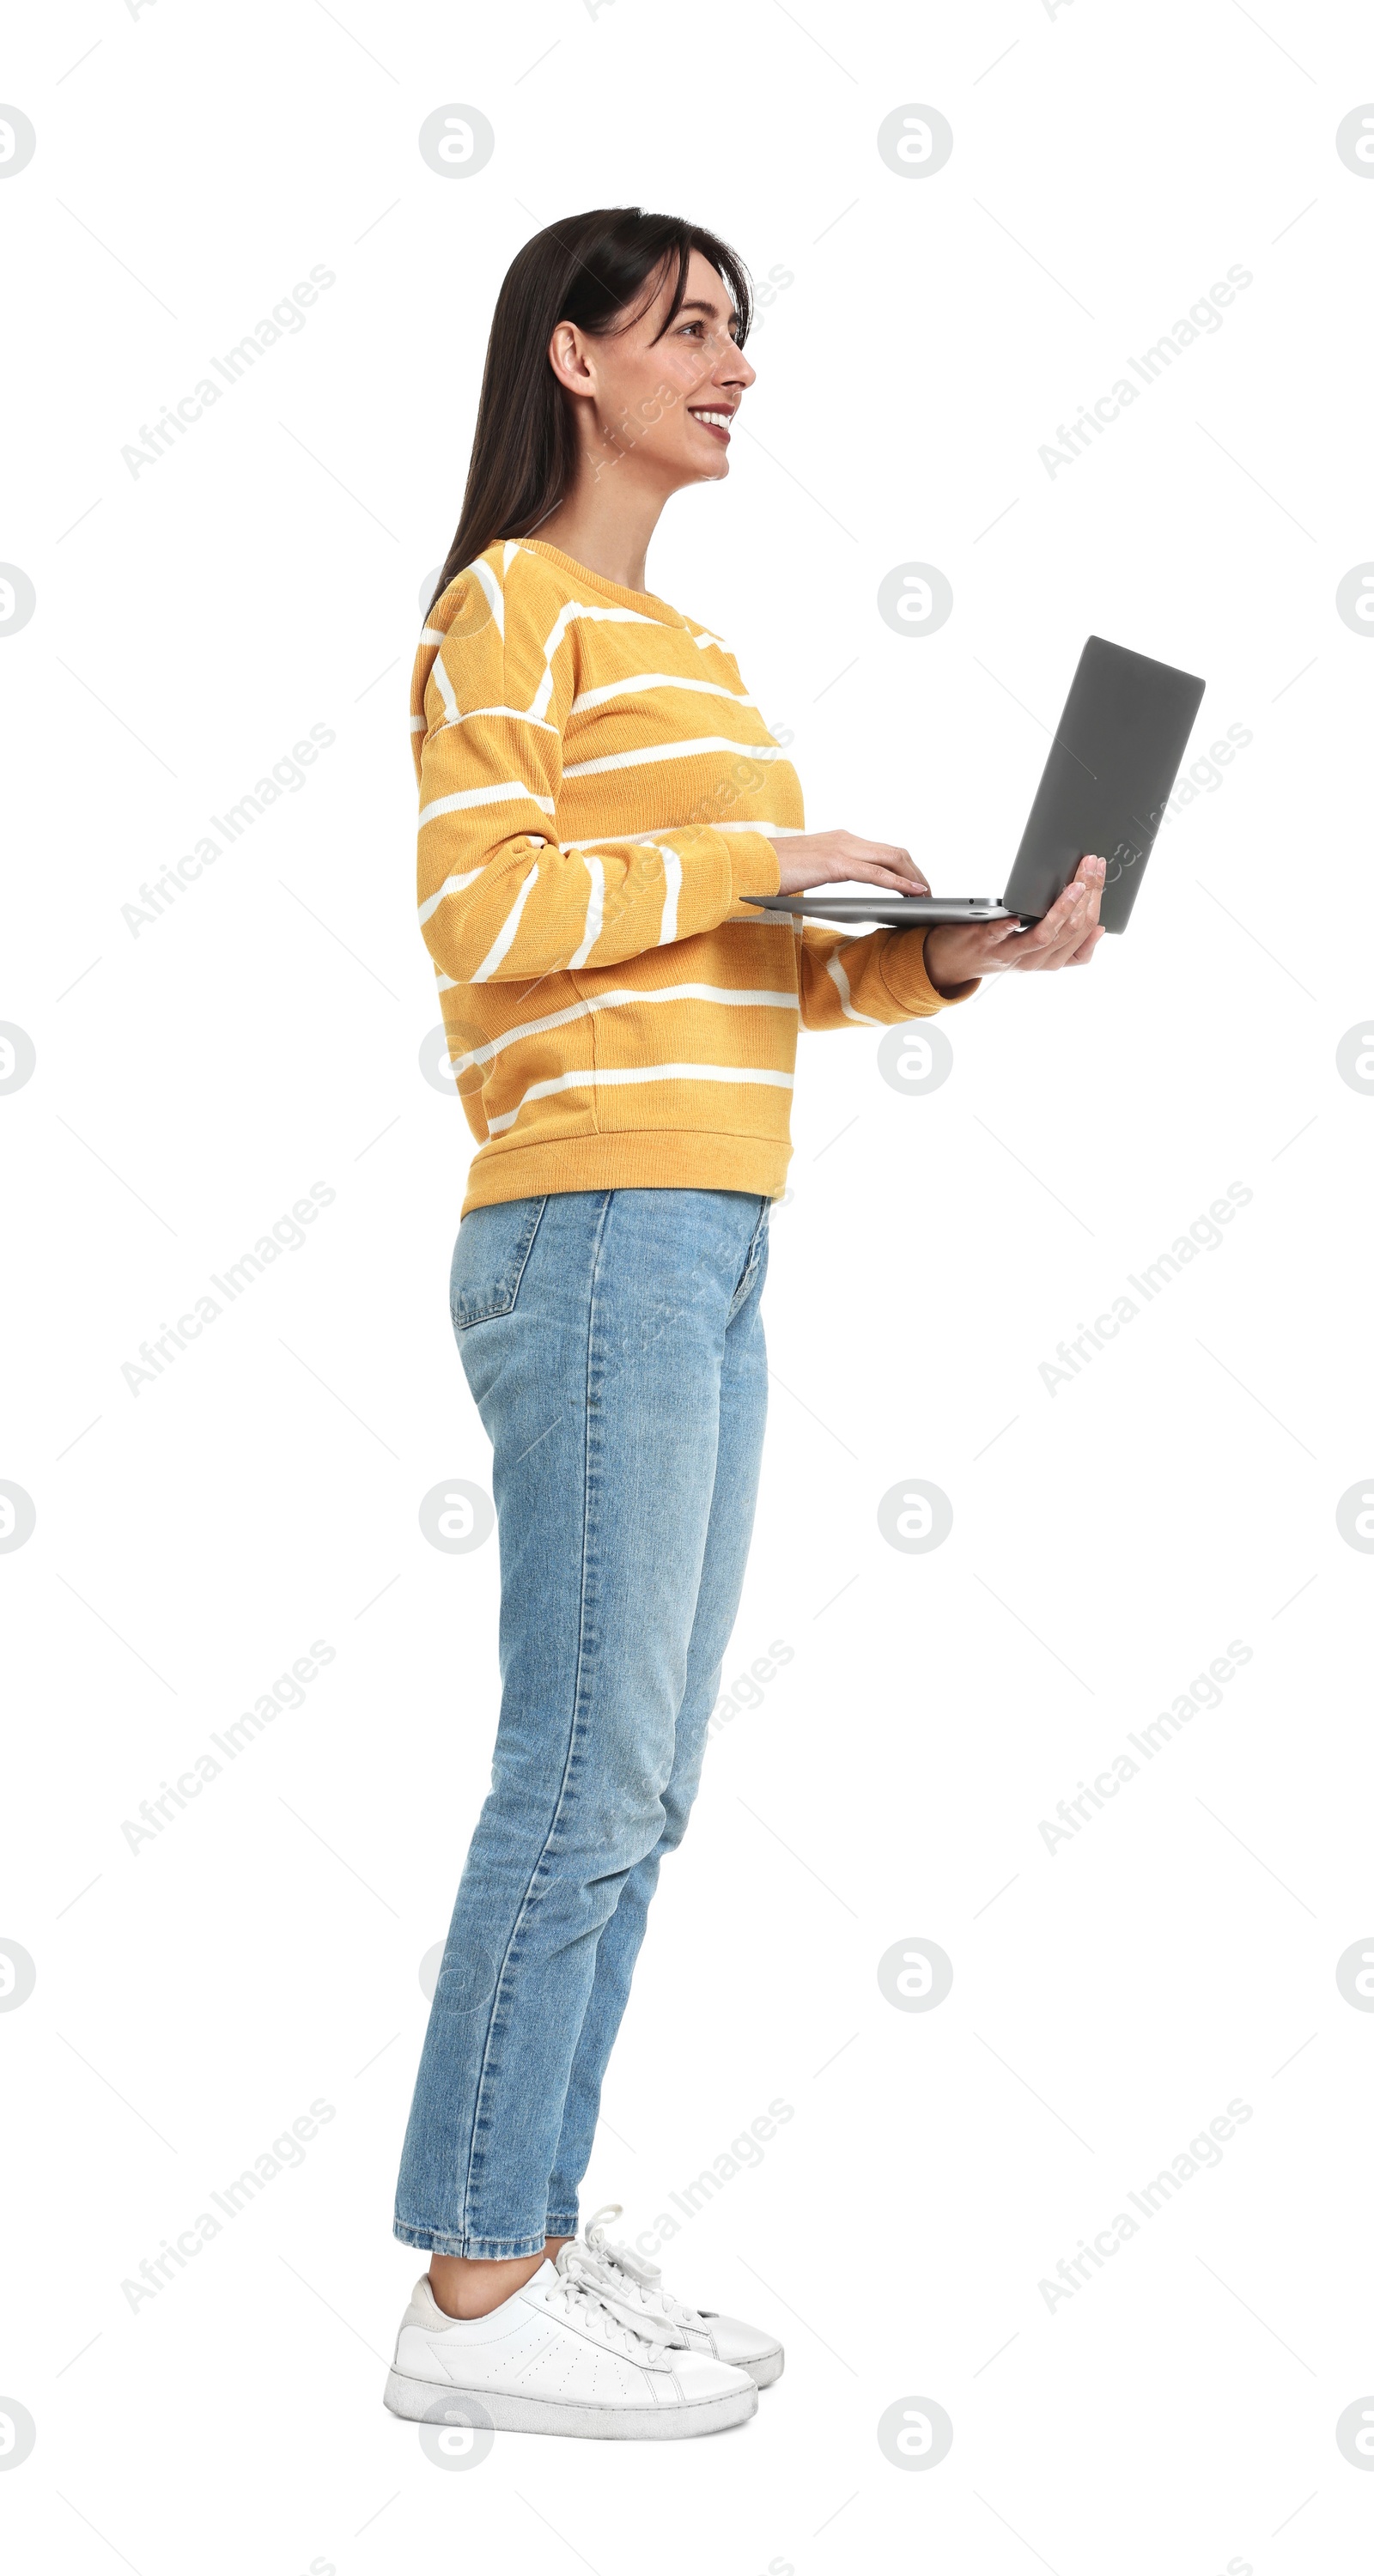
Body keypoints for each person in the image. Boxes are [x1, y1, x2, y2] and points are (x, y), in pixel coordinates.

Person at [386, 205, 1105, 2442]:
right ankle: (478, 2290)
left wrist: (949, 951)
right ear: (575, 360)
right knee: (580, 1763)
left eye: (743, 332)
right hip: (589, 1219)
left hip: (703, 1226)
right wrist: (748, 865)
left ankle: (532, 2221)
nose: (736, 367)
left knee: (648, 1775)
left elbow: (747, 956)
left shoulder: (685, 657)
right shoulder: (508, 611)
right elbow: (485, 912)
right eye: (691, 330)